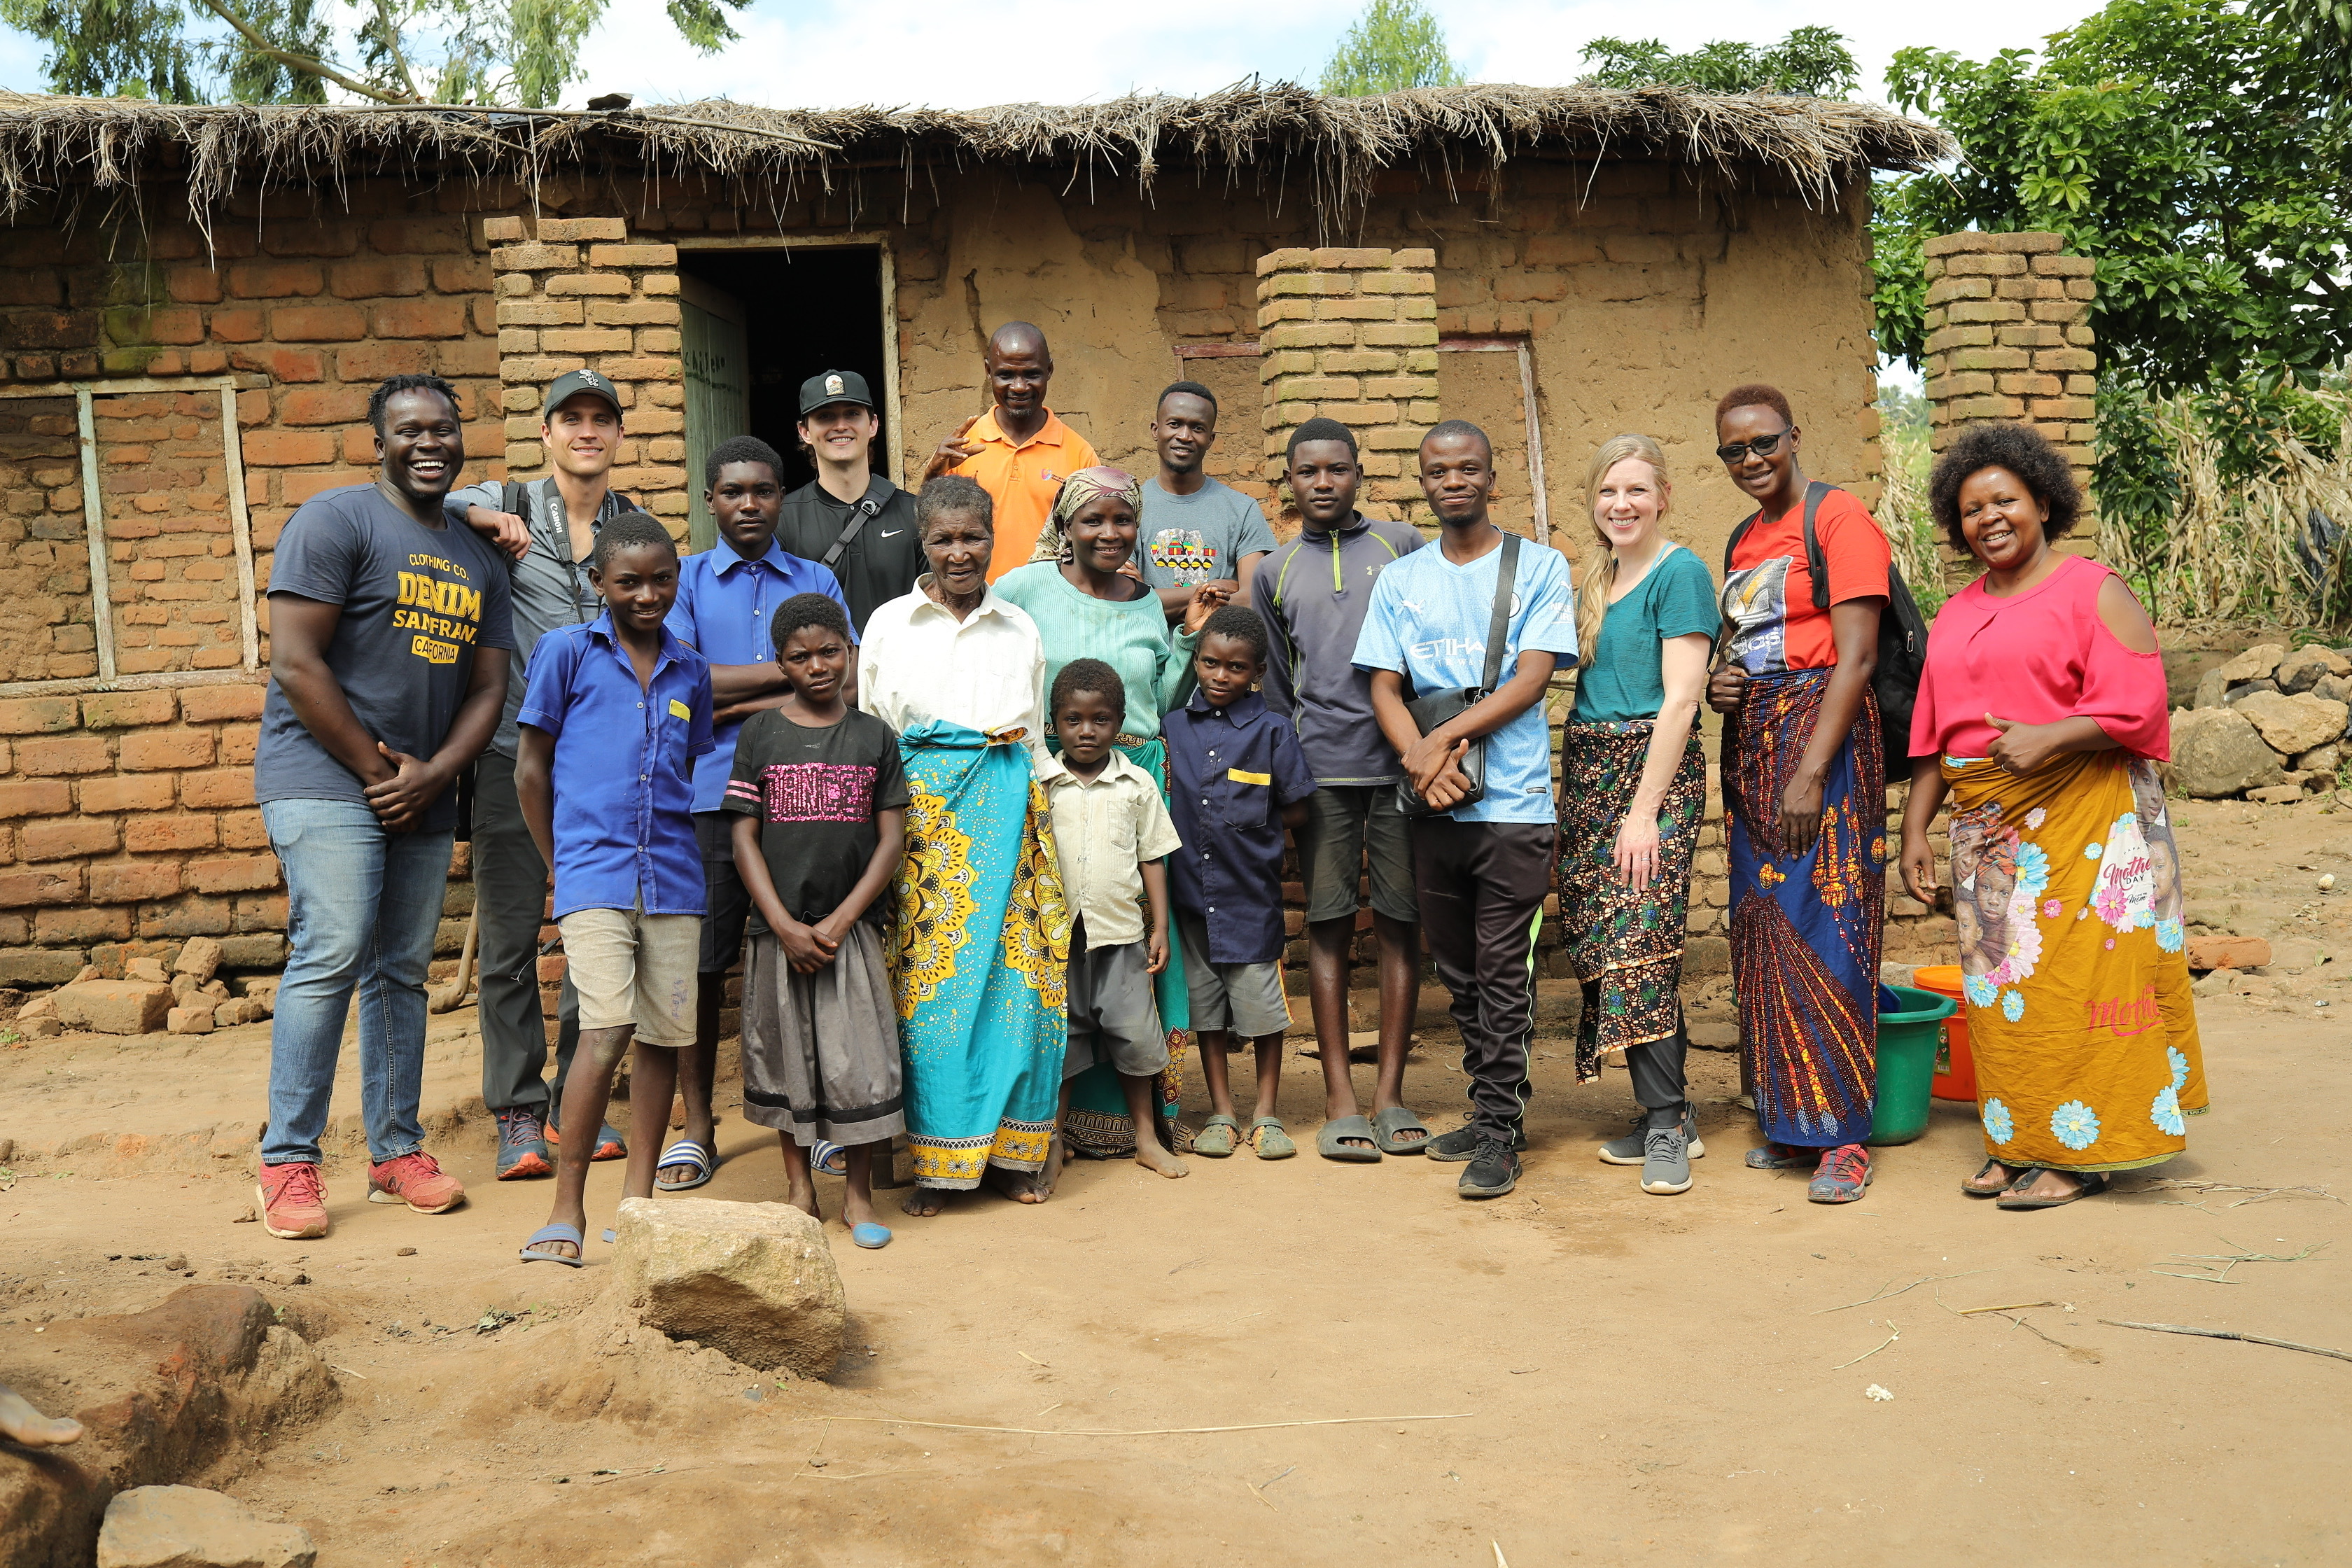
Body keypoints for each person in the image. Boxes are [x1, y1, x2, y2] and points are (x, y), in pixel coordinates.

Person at [1898, 421, 2208, 1210]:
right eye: (1972, 509)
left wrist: (2053, 735)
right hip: (1985, 830)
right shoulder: (1959, 610)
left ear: (2043, 500)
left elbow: (2140, 705)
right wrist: (1913, 829)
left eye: (2005, 500)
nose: (1990, 518)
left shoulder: (2092, 589)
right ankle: (2019, 1137)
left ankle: (2086, 1147)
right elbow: (1934, 735)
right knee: (2002, 989)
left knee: (2080, 983)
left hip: (2081, 819)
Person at [252, 374, 512, 1241]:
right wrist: (381, 772)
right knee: (330, 952)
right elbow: (296, 661)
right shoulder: (336, 521)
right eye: (409, 431)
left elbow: (489, 685)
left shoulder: (480, 560)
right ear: (379, 442)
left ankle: (396, 1149)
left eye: (444, 427)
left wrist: (435, 772)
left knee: (400, 969)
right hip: (326, 778)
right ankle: (288, 1159)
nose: (429, 443)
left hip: (421, 790)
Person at [1355, 421, 1579, 1200]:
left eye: (1468, 468)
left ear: (1492, 477)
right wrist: (1421, 764)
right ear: (1423, 481)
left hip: (1511, 804)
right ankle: (1493, 1110)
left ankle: (1498, 1134)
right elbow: (1383, 684)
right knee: (1460, 975)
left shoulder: (1539, 566)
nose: (1453, 479)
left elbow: (1530, 681)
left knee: (1502, 971)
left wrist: (1432, 743)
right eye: (1438, 470)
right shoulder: (1401, 578)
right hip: (1432, 808)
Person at [440, 368, 637, 1179]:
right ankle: (517, 1111)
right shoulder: (510, 502)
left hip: (608, 770)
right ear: (548, 431)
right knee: (512, 937)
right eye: (572, 418)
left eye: (602, 419)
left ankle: (572, 1107)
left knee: (598, 935)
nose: (586, 431)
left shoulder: (637, 523)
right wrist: (484, 514)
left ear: (618, 435)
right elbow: (429, 500)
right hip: (509, 756)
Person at [995, 467, 1223, 1158]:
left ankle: (1144, 1121)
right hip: (1053, 779)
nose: (1109, 533)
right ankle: (1052, 1122)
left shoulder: (1148, 601)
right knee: (1062, 955)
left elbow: (1156, 691)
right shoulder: (1022, 589)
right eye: (1092, 520)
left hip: (1135, 778)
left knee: (1135, 956)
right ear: (1064, 526)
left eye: (1123, 520)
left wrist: (1188, 640)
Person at [858, 475, 1070, 1213]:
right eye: (944, 538)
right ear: (922, 538)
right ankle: (937, 1164)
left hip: (1013, 816)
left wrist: (1047, 835)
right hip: (924, 829)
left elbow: (1039, 739)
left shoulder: (1020, 626)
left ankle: (1014, 1157)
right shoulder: (888, 624)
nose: (959, 552)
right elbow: (874, 735)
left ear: (992, 537)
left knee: (1018, 991)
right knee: (930, 998)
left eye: (973, 537)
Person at [1707, 382, 1890, 1205]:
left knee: (1831, 921)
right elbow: (1746, 645)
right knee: (1767, 926)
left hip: (1825, 741)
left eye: (1763, 443)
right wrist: (1725, 685)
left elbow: (1853, 657)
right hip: (1757, 744)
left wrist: (1813, 772)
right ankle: (1791, 1121)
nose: (1751, 460)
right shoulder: (1743, 538)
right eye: (1734, 451)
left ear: (1793, 434)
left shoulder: (1838, 517)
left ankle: (1845, 1136)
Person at [512, 514, 713, 1264]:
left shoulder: (690, 669)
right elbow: (531, 769)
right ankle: (566, 1205)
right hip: (591, 871)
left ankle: (637, 1206)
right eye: (628, 580)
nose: (647, 593)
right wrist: (556, 863)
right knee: (604, 1026)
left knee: (666, 1034)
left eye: (662, 578)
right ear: (598, 583)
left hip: (672, 875)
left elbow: (685, 770)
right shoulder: (566, 652)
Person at [665, 436, 853, 1196]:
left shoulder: (815, 578)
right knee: (703, 963)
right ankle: (697, 1125)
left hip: (808, 792)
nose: (750, 504)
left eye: (764, 491)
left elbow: (838, 683)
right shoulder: (677, 581)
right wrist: (789, 680)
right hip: (707, 793)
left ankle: (821, 1119)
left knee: (809, 953)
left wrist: (731, 695)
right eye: (734, 492)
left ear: (783, 496)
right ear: (710, 500)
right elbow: (680, 684)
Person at [1255, 416, 1427, 1160]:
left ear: (1360, 472)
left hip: (1402, 767)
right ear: (1288, 482)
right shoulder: (1274, 571)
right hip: (1321, 771)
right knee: (1325, 923)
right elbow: (1272, 682)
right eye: (1307, 471)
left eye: (1337, 469)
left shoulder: (1404, 546)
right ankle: (1339, 1093)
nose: (1322, 483)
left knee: (1397, 921)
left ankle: (1389, 1092)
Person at [1555, 434, 1718, 1197]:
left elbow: (1682, 700)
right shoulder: (1600, 574)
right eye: (1608, 492)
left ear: (1664, 497)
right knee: (1606, 940)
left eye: (1636, 491)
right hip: (1588, 772)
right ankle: (1672, 1111)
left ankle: (1663, 1124)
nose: (1621, 504)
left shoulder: (1679, 572)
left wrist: (1643, 812)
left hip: (1647, 772)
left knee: (1641, 934)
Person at [727, 594, 909, 1248]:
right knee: (784, 1058)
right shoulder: (761, 734)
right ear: (780, 663)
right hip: (778, 932)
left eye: (830, 651)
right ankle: (799, 1189)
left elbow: (891, 840)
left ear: (849, 652)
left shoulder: (872, 735)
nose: (818, 666)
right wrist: (780, 922)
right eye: (799, 657)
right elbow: (744, 837)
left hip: (849, 932)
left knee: (857, 1059)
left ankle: (857, 1197)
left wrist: (840, 919)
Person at [1165, 606, 1317, 1159]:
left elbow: (1297, 807)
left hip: (1249, 899)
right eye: (1209, 663)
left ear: (1256, 672)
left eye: (1235, 667)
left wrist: (1254, 832)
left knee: (1261, 1014)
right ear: (1197, 661)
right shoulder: (1173, 728)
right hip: (1187, 900)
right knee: (1206, 1012)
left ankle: (1266, 1114)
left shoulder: (1273, 730)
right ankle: (1222, 1113)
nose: (1220, 676)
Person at [1042, 658, 1189, 1182]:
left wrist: (1160, 928)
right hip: (1057, 942)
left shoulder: (1137, 784)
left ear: (1120, 721)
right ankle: (1052, 1142)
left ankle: (1146, 1139)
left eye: (1100, 719)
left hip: (1122, 935)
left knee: (1135, 1038)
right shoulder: (1043, 783)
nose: (1087, 731)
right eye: (1073, 720)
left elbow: (1154, 857)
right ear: (1054, 723)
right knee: (1061, 1042)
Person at [921, 322, 1100, 579]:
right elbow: (931, 531)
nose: (1019, 387)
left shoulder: (1079, 454)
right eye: (1006, 375)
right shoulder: (962, 448)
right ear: (988, 371)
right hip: (978, 602)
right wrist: (931, 478)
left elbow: (1095, 539)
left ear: (1049, 370)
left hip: (1050, 605)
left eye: (1031, 374)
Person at [774, 370, 925, 634]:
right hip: (821, 673)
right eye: (825, 417)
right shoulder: (783, 519)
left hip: (902, 671)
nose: (840, 426)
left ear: (873, 425)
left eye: (852, 414)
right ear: (805, 431)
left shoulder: (914, 512)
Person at [1137, 381, 1275, 624]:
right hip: (1151, 659)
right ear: (1155, 430)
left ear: (1210, 439)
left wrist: (1152, 598)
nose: (1184, 436)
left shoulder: (1242, 511)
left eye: (1197, 428)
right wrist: (1209, 591)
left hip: (1218, 659)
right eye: (1175, 424)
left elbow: (1253, 600)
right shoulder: (1129, 508)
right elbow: (1123, 602)